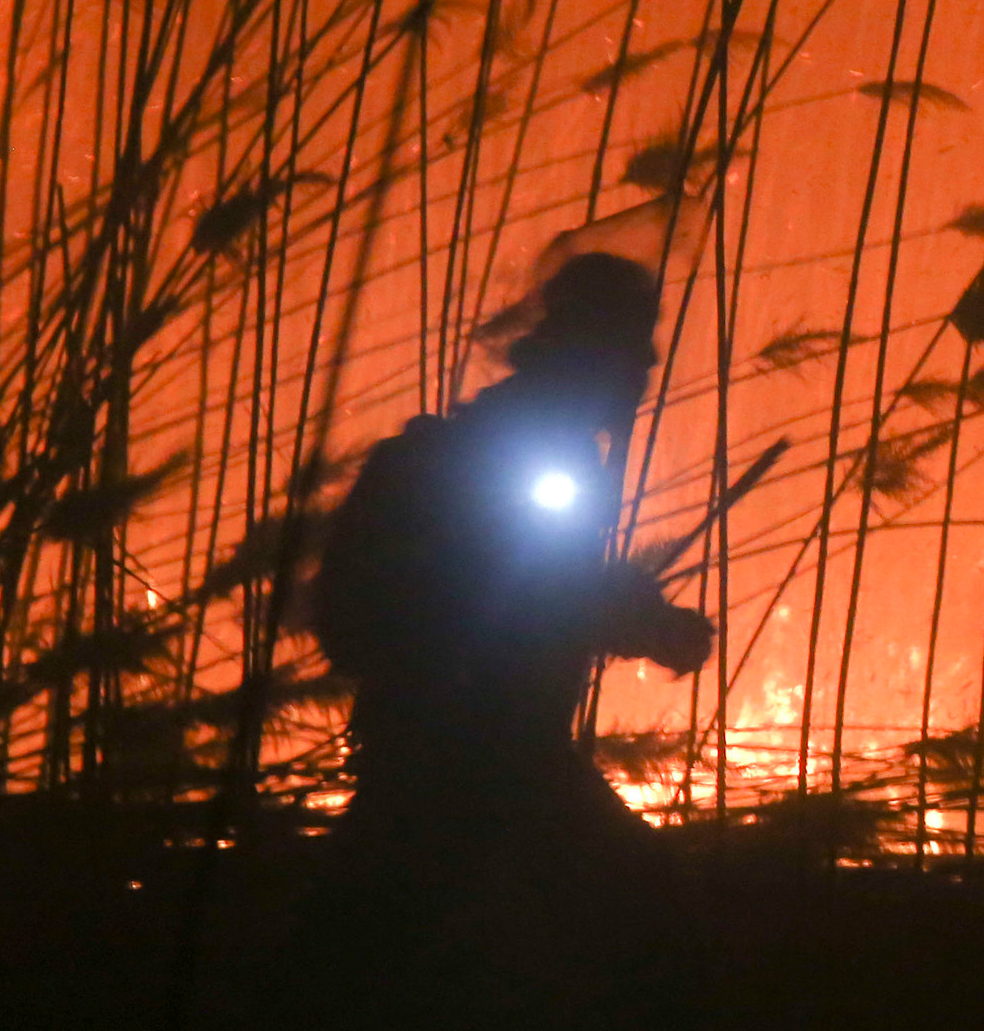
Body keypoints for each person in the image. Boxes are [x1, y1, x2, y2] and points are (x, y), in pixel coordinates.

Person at [299, 252, 713, 1026]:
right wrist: (644, 623)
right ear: (588, 346)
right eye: (632, 341)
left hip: (463, 745)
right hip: (476, 747)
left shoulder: (527, 445)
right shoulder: (528, 451)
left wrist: (639, 618)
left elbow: (536, 587)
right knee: (639, 918)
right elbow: (523, 594)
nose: (649, 362)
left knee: (369, 938)